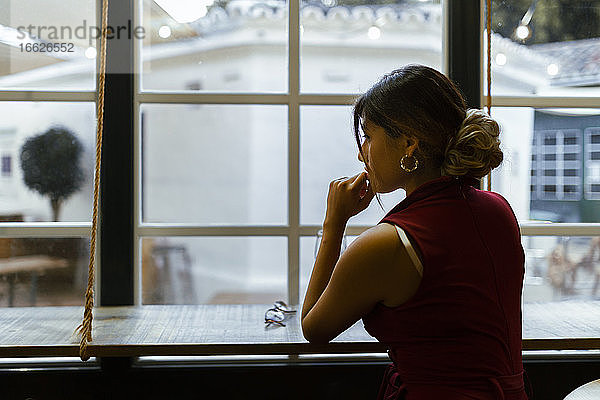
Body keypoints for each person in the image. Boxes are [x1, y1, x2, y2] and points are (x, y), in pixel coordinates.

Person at [301, 64, 532, 400]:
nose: (361, 151)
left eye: (368, 136)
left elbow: (314, 328)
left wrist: (334, 223)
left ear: (408, 143)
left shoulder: (389, 244)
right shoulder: (499, 210)